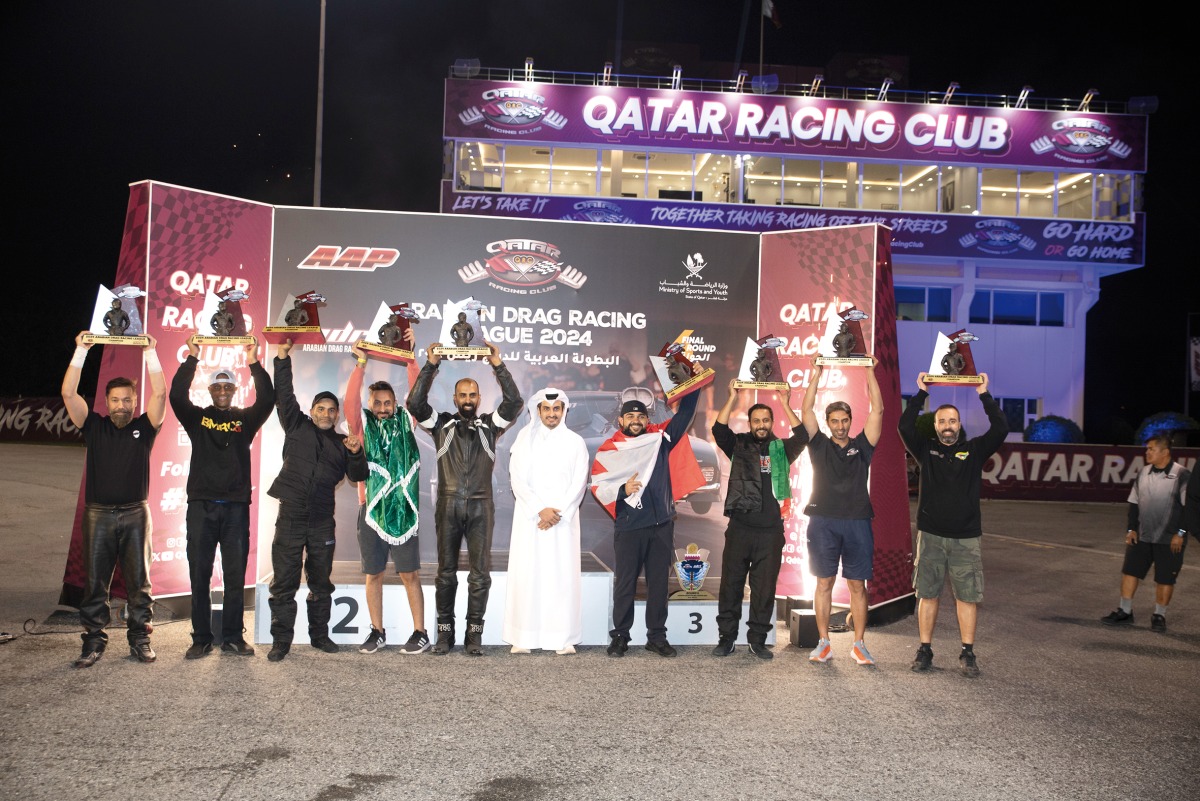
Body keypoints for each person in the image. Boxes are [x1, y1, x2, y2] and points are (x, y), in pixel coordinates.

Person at [406, 339, 523, 655]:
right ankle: (444, 635)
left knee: (479, 576)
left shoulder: (491, 425)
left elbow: (514, 402)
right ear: (455, 398)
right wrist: (431, 364)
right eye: (463, 395)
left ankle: (474, 636)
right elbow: (415, 405)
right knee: (445, 574)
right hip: (448, 505)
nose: (468, 399)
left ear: (479, 398)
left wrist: (497, 365)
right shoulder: (441, 424)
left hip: (482, 506)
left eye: (473, 395)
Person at [62, 332, 166, 667]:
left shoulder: (145, 427)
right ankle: (93, 641)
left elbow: (161, 392)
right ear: (106, 403)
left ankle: (139, 639)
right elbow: (68, 392)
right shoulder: (93, 425)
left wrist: (151, 353)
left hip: (137, 514)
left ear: (135, 402)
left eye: (127, 400)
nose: (122, 405)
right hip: (98, 515)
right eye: (116, 400)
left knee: (139, 584)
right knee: (95, 585)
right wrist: (81, 350)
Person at [169, 336, 274, 658]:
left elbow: (268, 397)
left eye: (229, 387)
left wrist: (253, 360)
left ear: (235, 390)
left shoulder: (245, 420)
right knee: (199, 574)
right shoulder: (198, 418)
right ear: (211, 391)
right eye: (218, 387)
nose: (224, 391)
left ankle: (232, 636)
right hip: (201, 507)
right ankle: (200, 637)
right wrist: (192, 358)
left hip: (235, 509)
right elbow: (176, 395)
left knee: (233, 577)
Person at [264, 339, 368, 661]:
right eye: (320, 409)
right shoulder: (295, 425)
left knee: (321, 582)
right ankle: (281, 641)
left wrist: (355, 452)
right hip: (291, 514)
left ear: (337, 415)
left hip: (322, 519)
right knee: (284, 582)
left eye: (331, 410)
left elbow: (357, 475)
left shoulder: (343, 443)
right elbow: (284, 393)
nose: (325, 413)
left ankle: (320, 636)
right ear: (311, 412)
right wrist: (282, 358)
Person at [898, 371, 1007, 677]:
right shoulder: (925, 451)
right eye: (942, 421)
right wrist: (920, 393)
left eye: (952, 421)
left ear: (960, 425)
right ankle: (925, 650)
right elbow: (904, 425)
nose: (948, 426)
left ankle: (968, 653)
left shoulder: (974, 451)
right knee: (927, 594)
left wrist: (984, 394)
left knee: (967, 597)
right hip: (931, 536)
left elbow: (1001, 428)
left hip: (966, 539)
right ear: (935, 426)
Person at [590, 383, 704, 658]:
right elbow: (598, 485)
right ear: (620, 420)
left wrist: (694, 385)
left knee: (659, 584)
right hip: (629, 527)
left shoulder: (660, 439)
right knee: (625, 584)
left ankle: (656, 637)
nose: (636, 421)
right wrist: (621, 491)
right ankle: (620, 637)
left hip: (662, 525)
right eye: (630, 416)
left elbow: (686, 414)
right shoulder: (609, 450)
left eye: (641, 416)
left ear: (647, 419)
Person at [710, 379, 807, 660]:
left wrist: (786, 403)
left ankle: (757, 640)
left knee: (764, 590)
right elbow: (719, 429)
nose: (761, 424)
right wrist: (732, 396)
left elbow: (802, 437)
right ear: (750, 423)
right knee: (731, 585)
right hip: (740, 528)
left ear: (771, 421)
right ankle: (726, 638)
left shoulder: (782, 449)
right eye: (756, 420)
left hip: (770, 532)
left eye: (765, 420)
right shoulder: (738, 445)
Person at [344, 340, 427, 654]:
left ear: (395, 403)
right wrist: (360, 365)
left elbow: (417, 396)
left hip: (404, 509)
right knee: (373, 573)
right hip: (371, 510)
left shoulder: (407, 420)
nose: (382, 407)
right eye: (376, 402)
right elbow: (351, 401)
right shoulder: (362, 424)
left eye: (387, 402)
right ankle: (377, 631)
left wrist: (410, 361)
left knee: (409, 574)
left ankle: (420, 631)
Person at [800, 357, 884, 665]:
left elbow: (878, 410)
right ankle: (824, 643)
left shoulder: (863, 446)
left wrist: (870, 371)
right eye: (834, 421)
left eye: (844, 421)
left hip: (858, 522)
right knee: (823, 583)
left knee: (857, 585)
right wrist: (816, 375)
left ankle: (859, 645)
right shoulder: (819, 445)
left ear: (850, 421)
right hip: (822, 521)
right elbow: (805, 411)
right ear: (828, 423)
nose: (840, 426)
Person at [502, 387, 589, 655]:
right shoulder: (524, 438)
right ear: (538, 411)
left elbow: (579, 482)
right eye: (546, 409)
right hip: (531, 521)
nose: (552, 414)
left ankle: (561, 638)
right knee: (528, 575)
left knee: (561, 578)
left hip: (562, 523)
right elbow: (517, 480)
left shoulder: (576, 442)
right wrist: (540, 510)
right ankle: (523, 637)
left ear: (563, 411)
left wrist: (557, 512)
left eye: (556, 409)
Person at [1100, 435, 1190, 632]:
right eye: (1147, 449)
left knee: (1165, 578)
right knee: (1130, 573)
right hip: (1142, 536)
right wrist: (1131, 529)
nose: (1147, 452)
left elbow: (1189, 509)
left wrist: (1181, 533)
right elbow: (1133, 502)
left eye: (1151, 449)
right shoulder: (1143, 473)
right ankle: (1125, 612)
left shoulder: (1182, 475)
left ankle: (1159, 615)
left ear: (1165, 452)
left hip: (1170, 539)